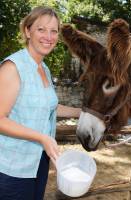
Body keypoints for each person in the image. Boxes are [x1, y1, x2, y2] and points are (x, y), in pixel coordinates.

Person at [0, 6, 81, 200]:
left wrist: (81, 112)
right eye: (41, 29)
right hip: (11, 169)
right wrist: (42, 138)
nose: (49, 36)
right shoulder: (13, 67)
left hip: (38, 163)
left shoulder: (43, 68)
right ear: (28, 31)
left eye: (54, 31)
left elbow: (50, 106)